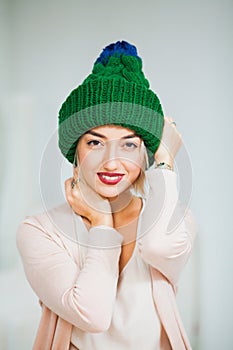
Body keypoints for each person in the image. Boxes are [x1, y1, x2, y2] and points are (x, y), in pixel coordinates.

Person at [16, 40, 197, 350]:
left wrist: (165, 161)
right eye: (95, 143)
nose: (111, 162)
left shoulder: (173, 217)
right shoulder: (39, 230)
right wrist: (101, 223)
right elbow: (92, 314)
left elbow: (158, 245)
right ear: (76, 152)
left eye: (129, 144)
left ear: (145, 155)